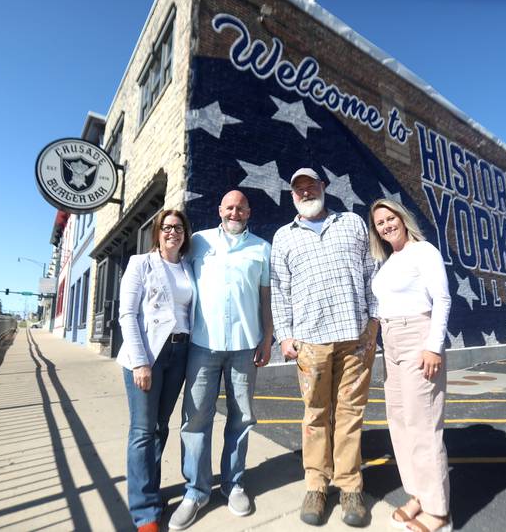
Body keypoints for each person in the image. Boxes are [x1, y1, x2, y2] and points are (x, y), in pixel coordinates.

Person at [270, 168, 379, 527]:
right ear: (292, 196)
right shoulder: (284, 237)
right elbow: (280, 291)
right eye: (298, 189)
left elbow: (370, 274)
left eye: (310, 186)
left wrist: (373, 322)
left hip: (355, 337)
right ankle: (316, 485)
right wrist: (285, 335)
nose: (305, 192)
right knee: (316, 414)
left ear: (324, 188)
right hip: (310, 341)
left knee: (350, 414)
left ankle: (350, 487)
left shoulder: (351, 223)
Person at [170, 190, 273, 529]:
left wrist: (268, 336)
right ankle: (196, 490)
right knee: (196, 418)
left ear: (248, 212)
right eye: (229, 206)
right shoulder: (198, 242)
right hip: (203, 343)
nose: (234, 212)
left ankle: (234, 483)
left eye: (240, 207)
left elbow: (265, 298)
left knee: (241, 418)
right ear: (219, 210)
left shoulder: (262, 248)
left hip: (245, 345)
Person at [368, 199, 452, 532]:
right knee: (400, 422)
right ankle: (418, 494)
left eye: (390, 219)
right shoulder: (388, 261)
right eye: (380, 223)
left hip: (418, 335)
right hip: (391, 341)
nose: (386, 225)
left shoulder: (424, 251)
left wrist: (433, 346)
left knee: (423, 425)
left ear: (403, 219)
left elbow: (443, 299)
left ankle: (438, 511)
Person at [117, 209, 197, 532]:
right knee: (142, 431)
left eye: (178, 227)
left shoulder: (188, 266)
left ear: (185, 233)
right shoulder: (141, 263)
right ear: (157, 233)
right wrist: (140, 361)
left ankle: (150, 492)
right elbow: (127, 314)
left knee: (161, 427)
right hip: (149, 353)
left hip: (179, 353)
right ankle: (144, 512)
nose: (172, 232)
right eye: (166, 227)